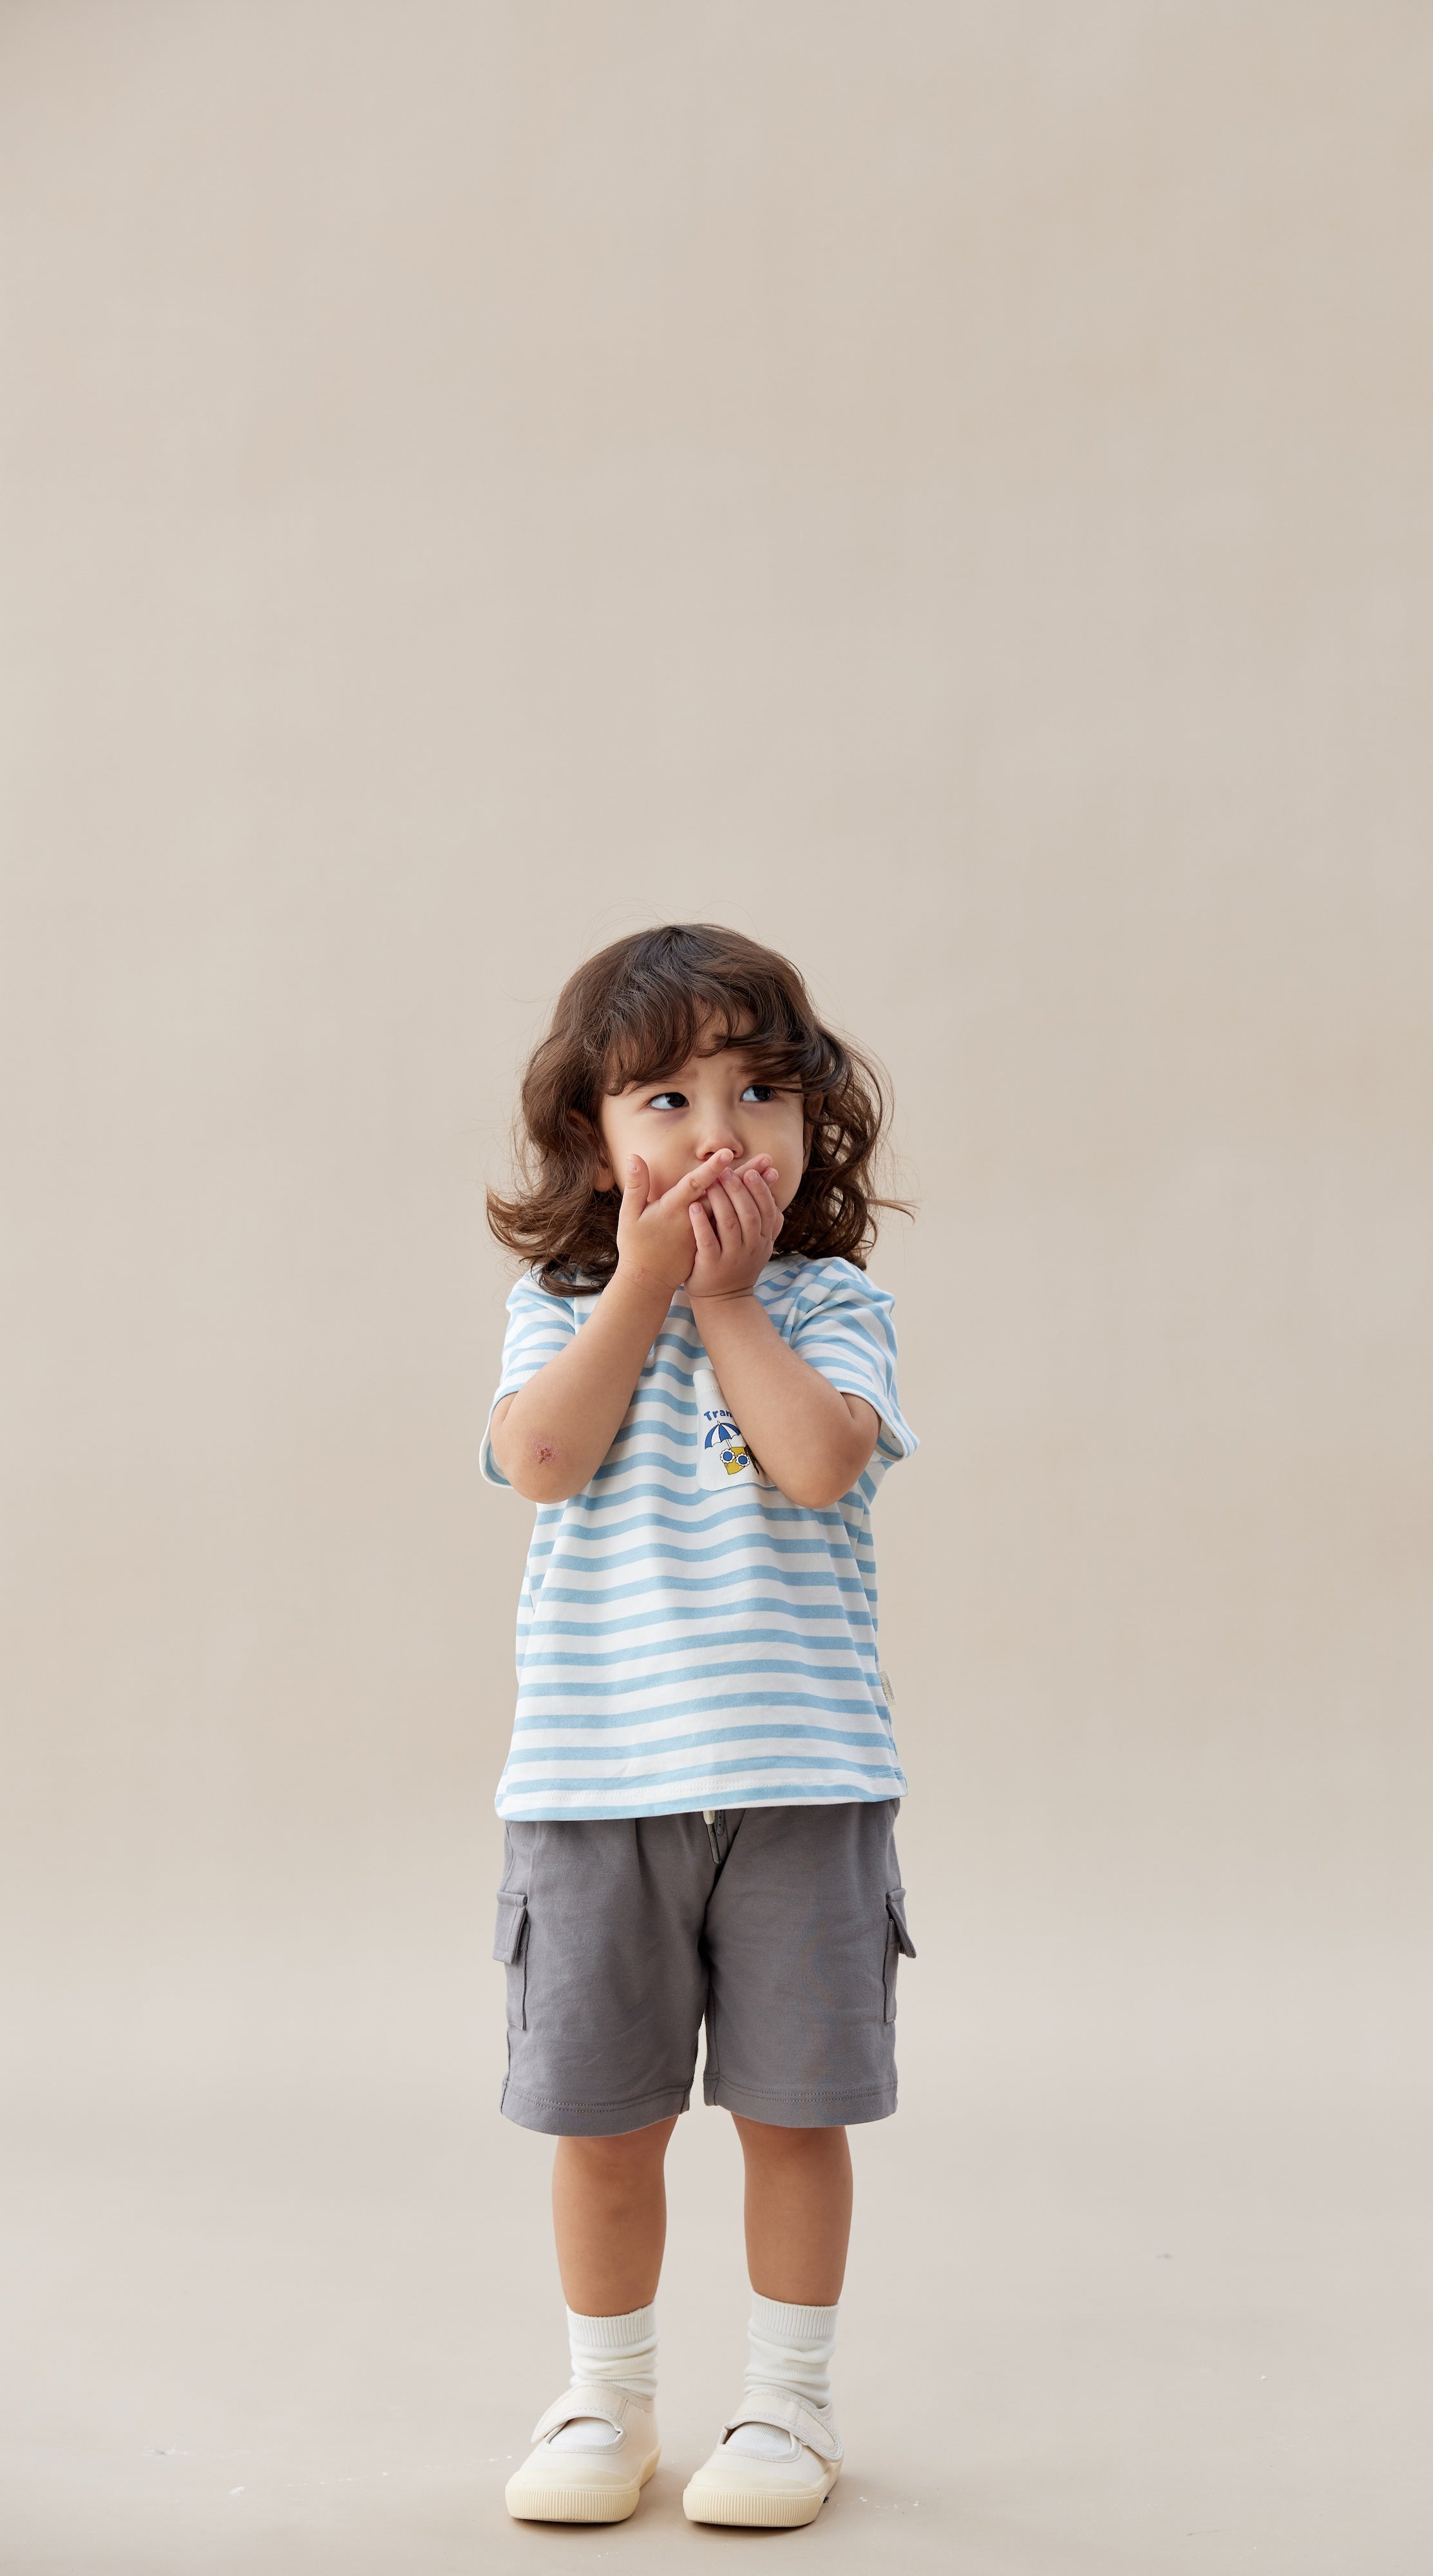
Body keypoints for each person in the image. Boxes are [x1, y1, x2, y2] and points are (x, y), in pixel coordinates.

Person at [480, 922, 917, 2530]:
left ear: (814, 1129)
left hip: (803, 1786)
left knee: (794, 2115)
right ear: (594, 1148)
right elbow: (540, 1457)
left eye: (756, 1090)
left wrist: (730, 1301)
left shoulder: (830, 1302)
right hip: (597, 1794)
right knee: (604, 2122)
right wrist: (652, 1284)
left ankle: (787, 2411)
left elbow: (815, 1465)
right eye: (662, 1096)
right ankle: (605, 2396)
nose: (714, 1129)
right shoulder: (557, 1307)